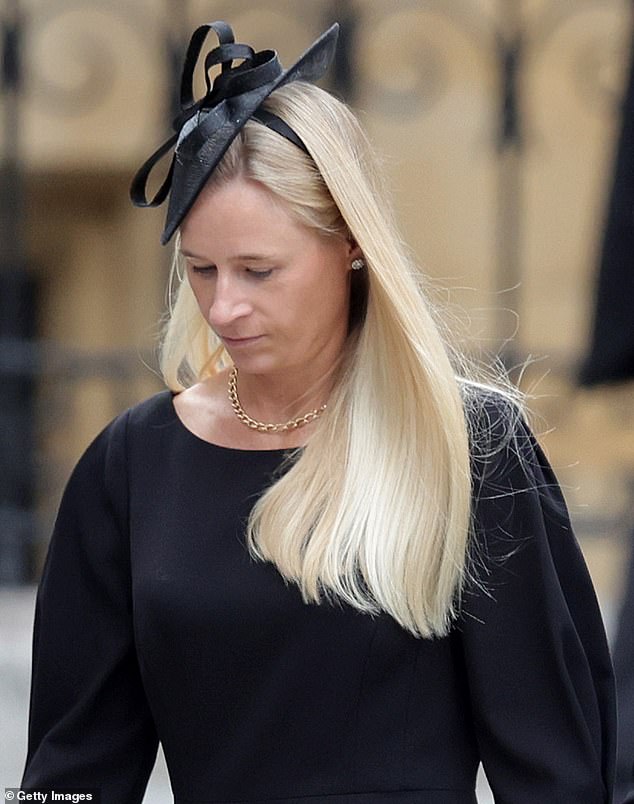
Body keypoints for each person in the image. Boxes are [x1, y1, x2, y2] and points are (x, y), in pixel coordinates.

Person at [21, 20, 616, 804]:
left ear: (350, 244)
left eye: (259, 270)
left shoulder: (468, 448)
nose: (225, 305)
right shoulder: (130, 465)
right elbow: (75, 772)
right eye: (201, 269)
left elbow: (557, 775)